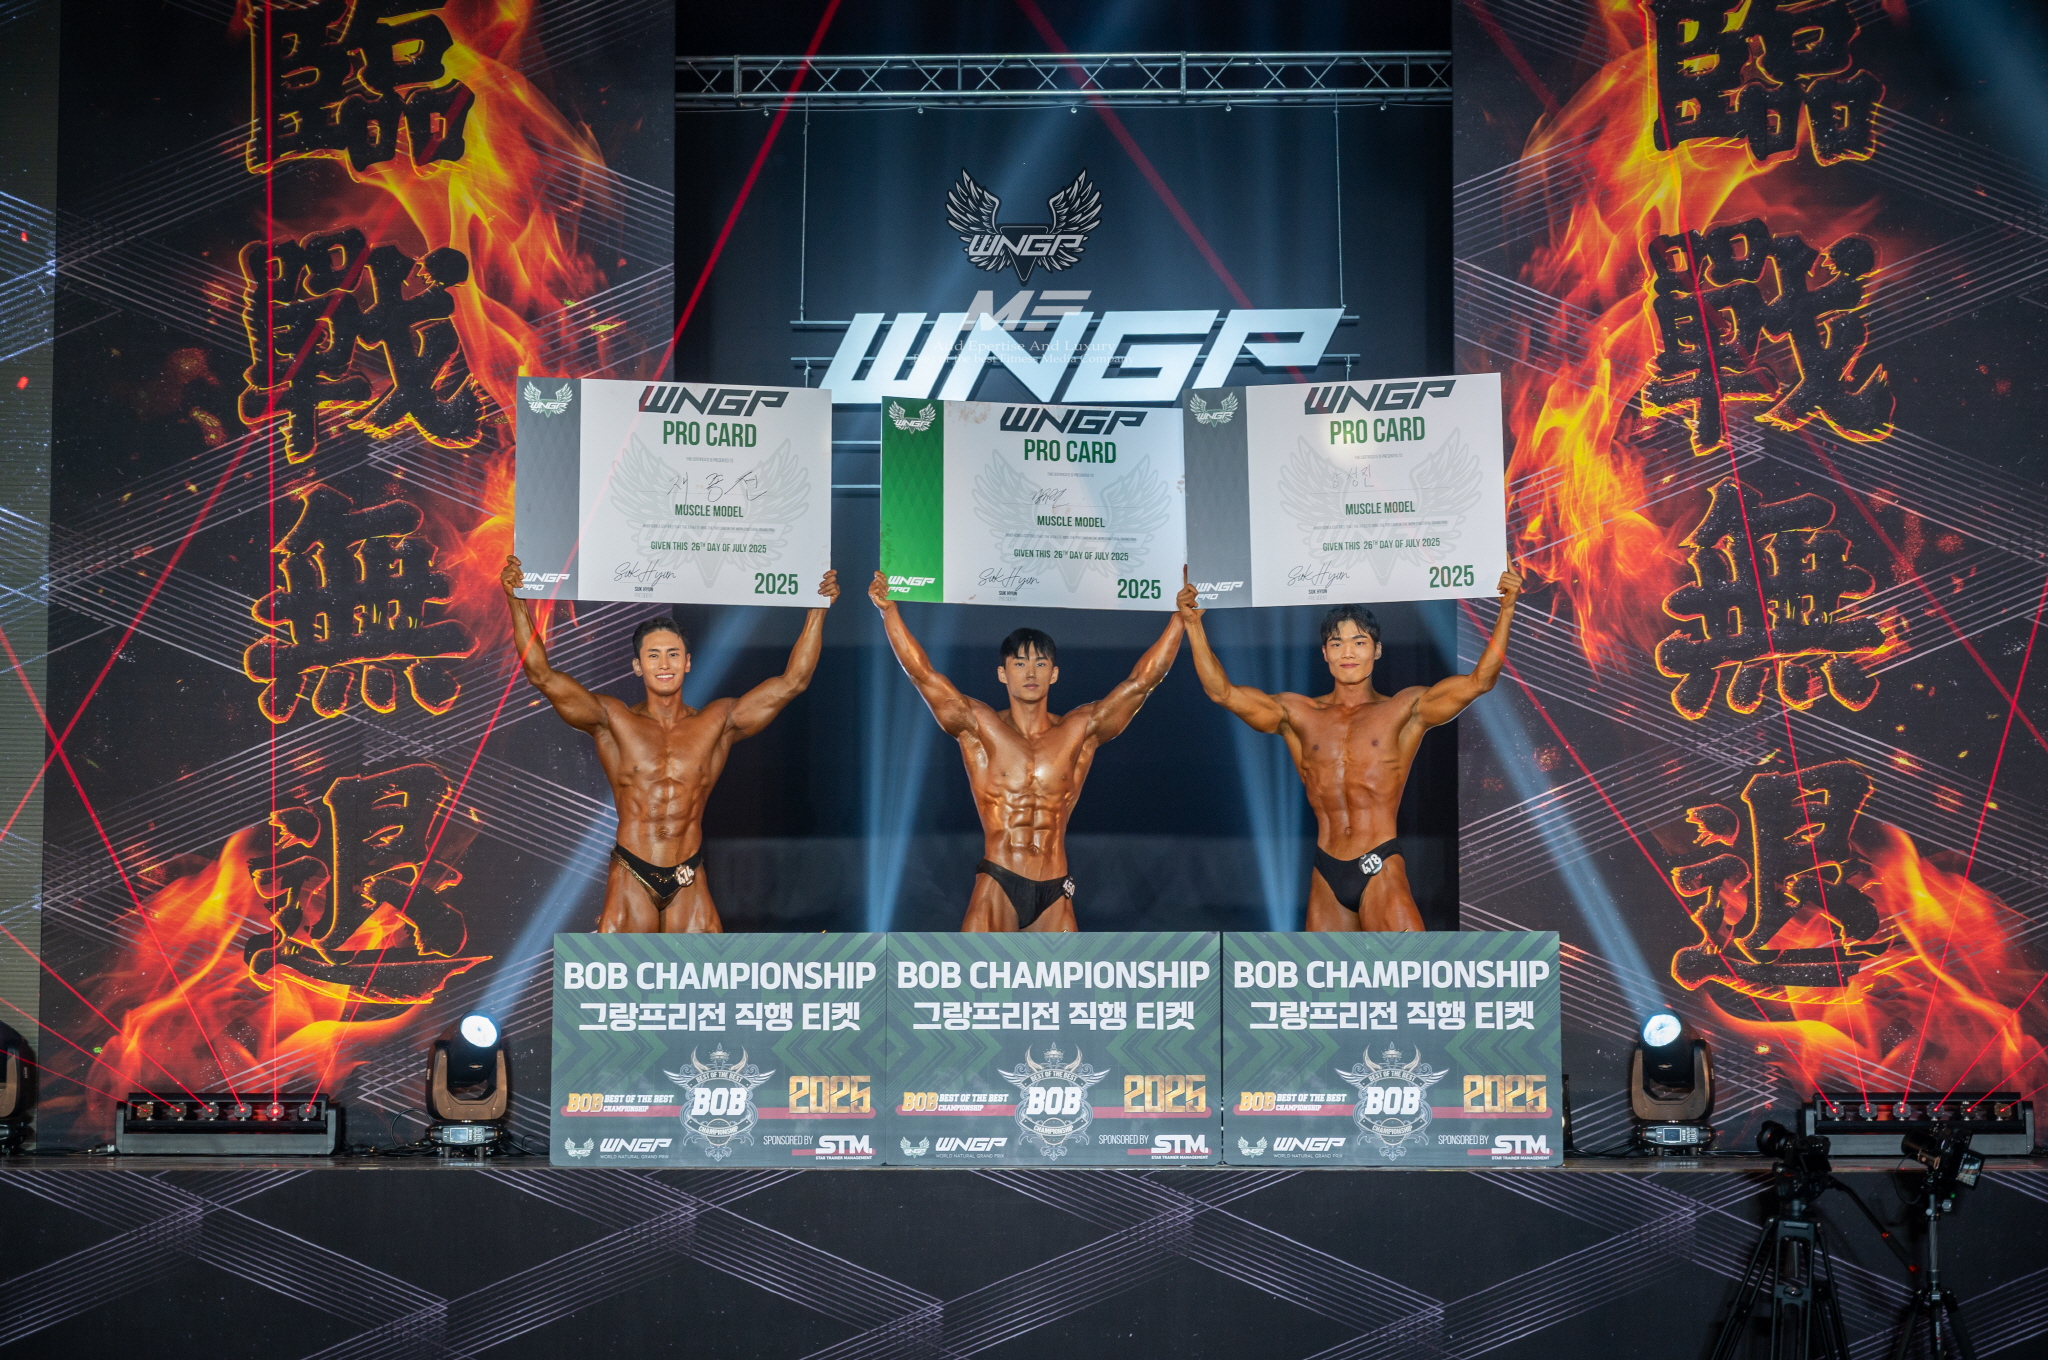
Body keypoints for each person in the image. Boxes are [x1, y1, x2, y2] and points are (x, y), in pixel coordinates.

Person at [1176, 566, 1526, 931]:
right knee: (1319, 971)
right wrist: (1194, 625)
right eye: (1337, 643)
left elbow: (1480, 681)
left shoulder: (1405, 709)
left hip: (1379, 861)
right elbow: (1222, 692)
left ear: (1376, 650)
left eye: (1359, 642)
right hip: (1326, 870)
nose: (1348, 652)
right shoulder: (1297, 713)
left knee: (1413, 965)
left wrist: (1507, 609)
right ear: (1325, 653)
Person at [501, 554, 838, 932]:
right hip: (632, 870)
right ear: (638, 666)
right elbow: (542, 675)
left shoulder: (717, 722)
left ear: (688, 663)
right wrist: (516, 601)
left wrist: (817, 608)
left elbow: (793, 681)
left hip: (687, 874)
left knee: (705, 969)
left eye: (673, 654)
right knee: (620, 970)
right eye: (654, 655)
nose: (664, 664)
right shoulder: (614, 720)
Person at [869, 571, 1184, 931]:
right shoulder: (980, 727)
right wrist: (888, 611)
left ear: (1054, 673)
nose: (1030, 673)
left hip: (1055, 886)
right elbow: (922, 674)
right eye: (1019, 663)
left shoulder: (1079, 730)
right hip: (999, 880)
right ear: (1002, 674)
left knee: (1069, 972)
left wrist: (1180, 620)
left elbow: (1142, 682)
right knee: (971, 968)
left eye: (1040, 664)